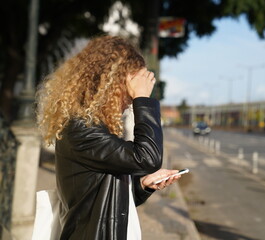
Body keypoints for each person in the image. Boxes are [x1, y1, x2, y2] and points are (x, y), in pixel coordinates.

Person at [36, 35, 181, 240]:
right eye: (129, 91)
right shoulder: (81, 128)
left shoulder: (95, 126)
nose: (131, 101)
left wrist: (141, 186)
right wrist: (143, 99)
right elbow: (148, 158)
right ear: (111, 84)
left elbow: (105, 204)